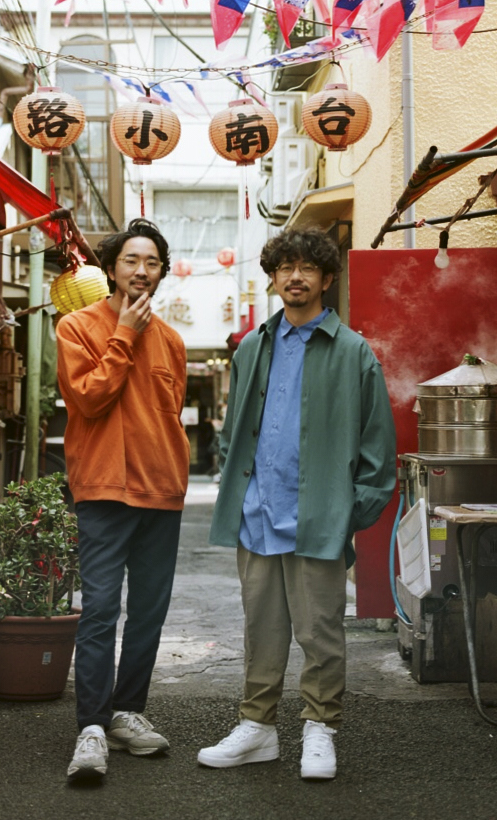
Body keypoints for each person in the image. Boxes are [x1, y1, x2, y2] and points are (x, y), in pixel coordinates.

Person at [199, 227, 395, 781]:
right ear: (273, 277)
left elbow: (378, 455)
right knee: (261, 628)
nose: (295, 276)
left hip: (317, 520)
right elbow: (238, 428)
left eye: (308, 267)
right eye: (285, 266)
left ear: (327, 279)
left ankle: (319, 728)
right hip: (258, 514)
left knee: (320, 631)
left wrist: (344, 516)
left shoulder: (354, 352)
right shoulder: (253, 347)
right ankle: (257, 727)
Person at [56, 218, 189, 783]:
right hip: (105, 489)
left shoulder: (175, 341)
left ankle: (127, 711)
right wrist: (125, 337)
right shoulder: (77, 327)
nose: (141, 271)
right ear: (111, 269)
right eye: (131, 260)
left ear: (161, 273)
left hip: (162, 490)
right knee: (101, 609)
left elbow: (170, 415)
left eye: (152, 263)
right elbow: (88, 400)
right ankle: (91, 725)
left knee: (149, 614)